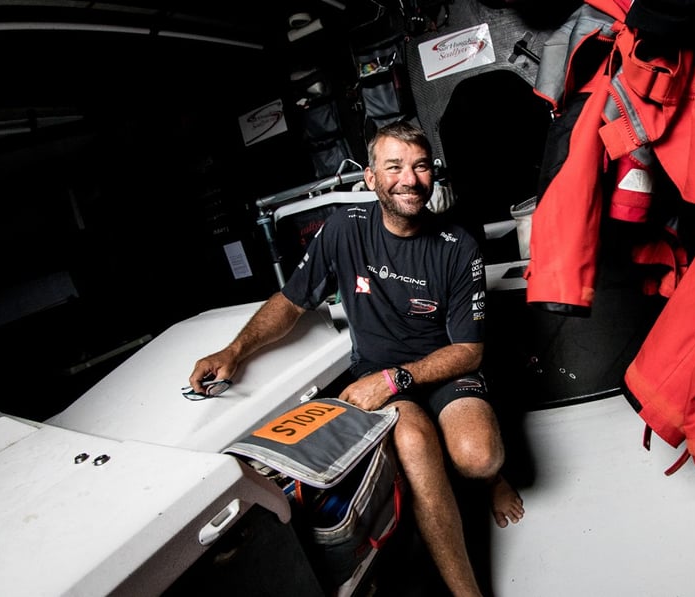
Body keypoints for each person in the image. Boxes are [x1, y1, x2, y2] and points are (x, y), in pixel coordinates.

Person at [188, 121, 524, 596]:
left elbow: (470, 351)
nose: (409, 179)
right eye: (394, 167)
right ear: (370, 178)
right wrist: (235, 351)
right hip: (379, 375)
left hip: (443, 369)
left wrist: (395, 379)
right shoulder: (344, 228)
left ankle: (492, 481)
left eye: (420, 166)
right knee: (416, 444)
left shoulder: (458, 245)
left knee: (479, 456)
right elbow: (291, 302)